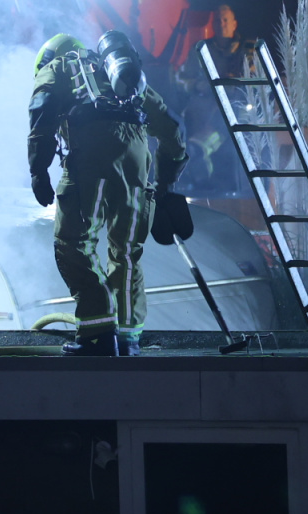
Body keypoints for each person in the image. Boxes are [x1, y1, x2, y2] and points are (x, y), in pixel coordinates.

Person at [28, 29, 191, 356]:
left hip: (91, 154)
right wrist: (165, 185)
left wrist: (38, 169)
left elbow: (42, 107)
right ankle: (127, 339)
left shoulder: (58, 66)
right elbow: (173, 130)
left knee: (73, 242)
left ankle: (98, 332)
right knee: (126, 251)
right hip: (137, 160)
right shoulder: (118, 75)